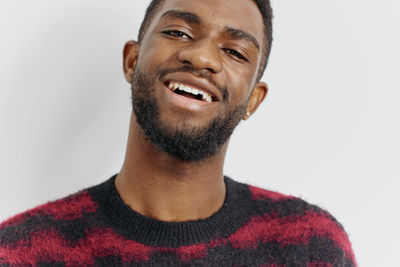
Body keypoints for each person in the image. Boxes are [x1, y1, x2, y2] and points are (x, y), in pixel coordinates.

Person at [0, 0, 356, 265]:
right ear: (131, 60)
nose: (201, 57)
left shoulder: (310, 246)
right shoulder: (20, 253)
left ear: (253, 100)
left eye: (234, 51)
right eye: (178, 32)